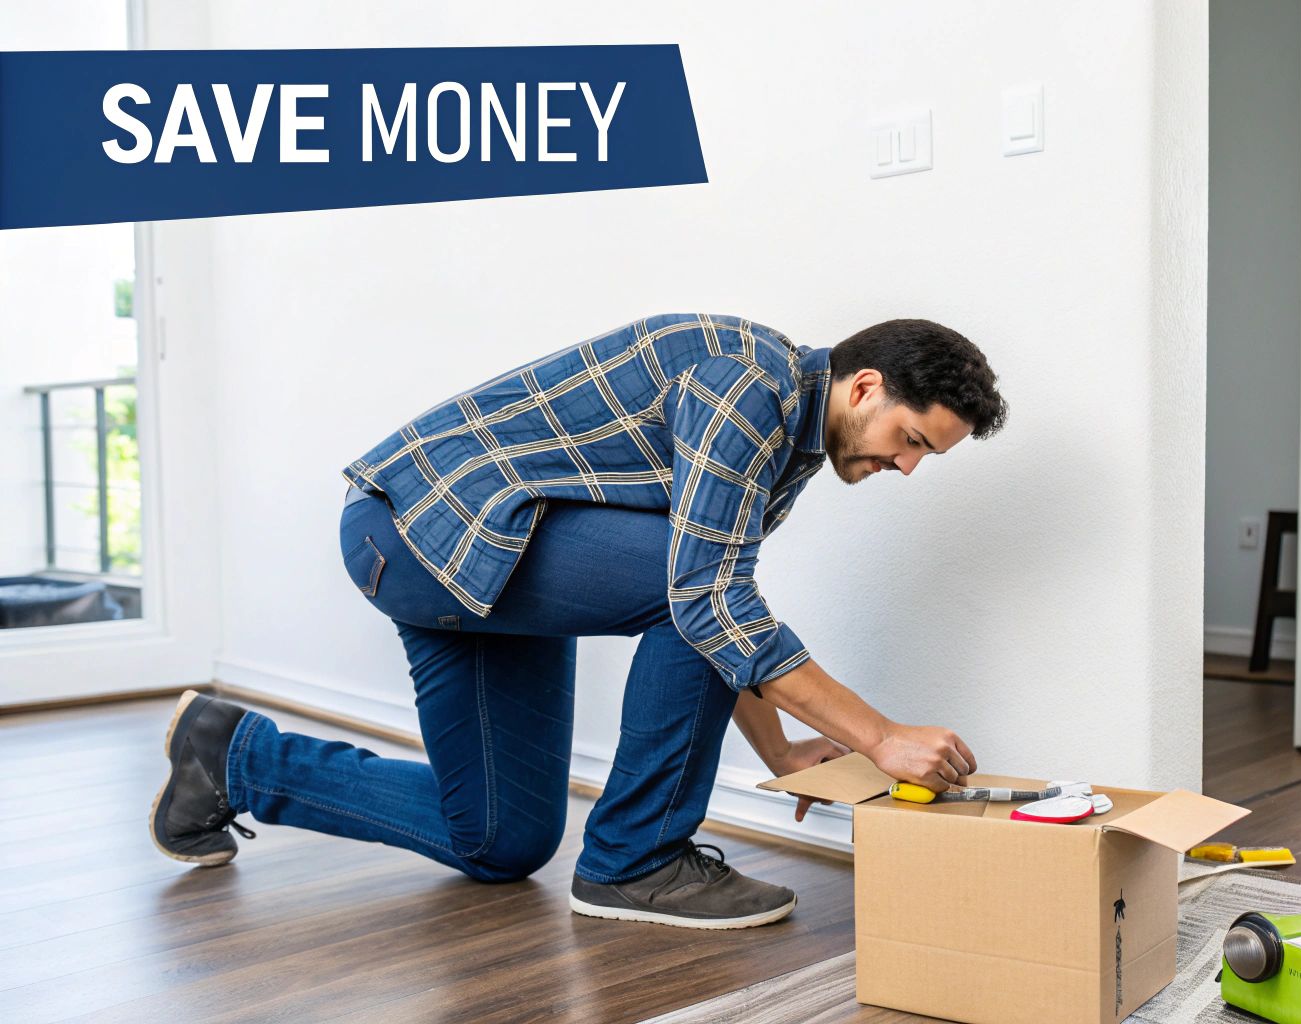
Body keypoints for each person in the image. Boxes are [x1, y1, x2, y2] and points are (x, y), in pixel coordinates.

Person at [149, 314, 1008, 929]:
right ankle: (637, 862)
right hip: (420, 526)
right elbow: (706, 599)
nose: (904, 466)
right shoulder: (751, 386)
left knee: (497, 840)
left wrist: (780, 751)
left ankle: (232, 758)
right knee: (699, 591)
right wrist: (881, 737)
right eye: (911, 441)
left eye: (922, 457)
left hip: (473, 547)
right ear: (865, 387)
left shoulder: (791, 446)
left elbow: (714, 600)